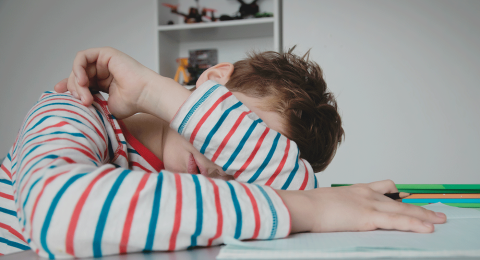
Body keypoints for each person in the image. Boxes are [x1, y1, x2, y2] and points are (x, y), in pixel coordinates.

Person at [0, 47, 446, 258]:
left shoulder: (199, 181)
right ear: (212, 80)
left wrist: (166, 96)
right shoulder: (72, 108)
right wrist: (161, 91)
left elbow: (299, 185)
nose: (223, 171)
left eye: (249, 161)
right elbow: (62, 213)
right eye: (239, 132)